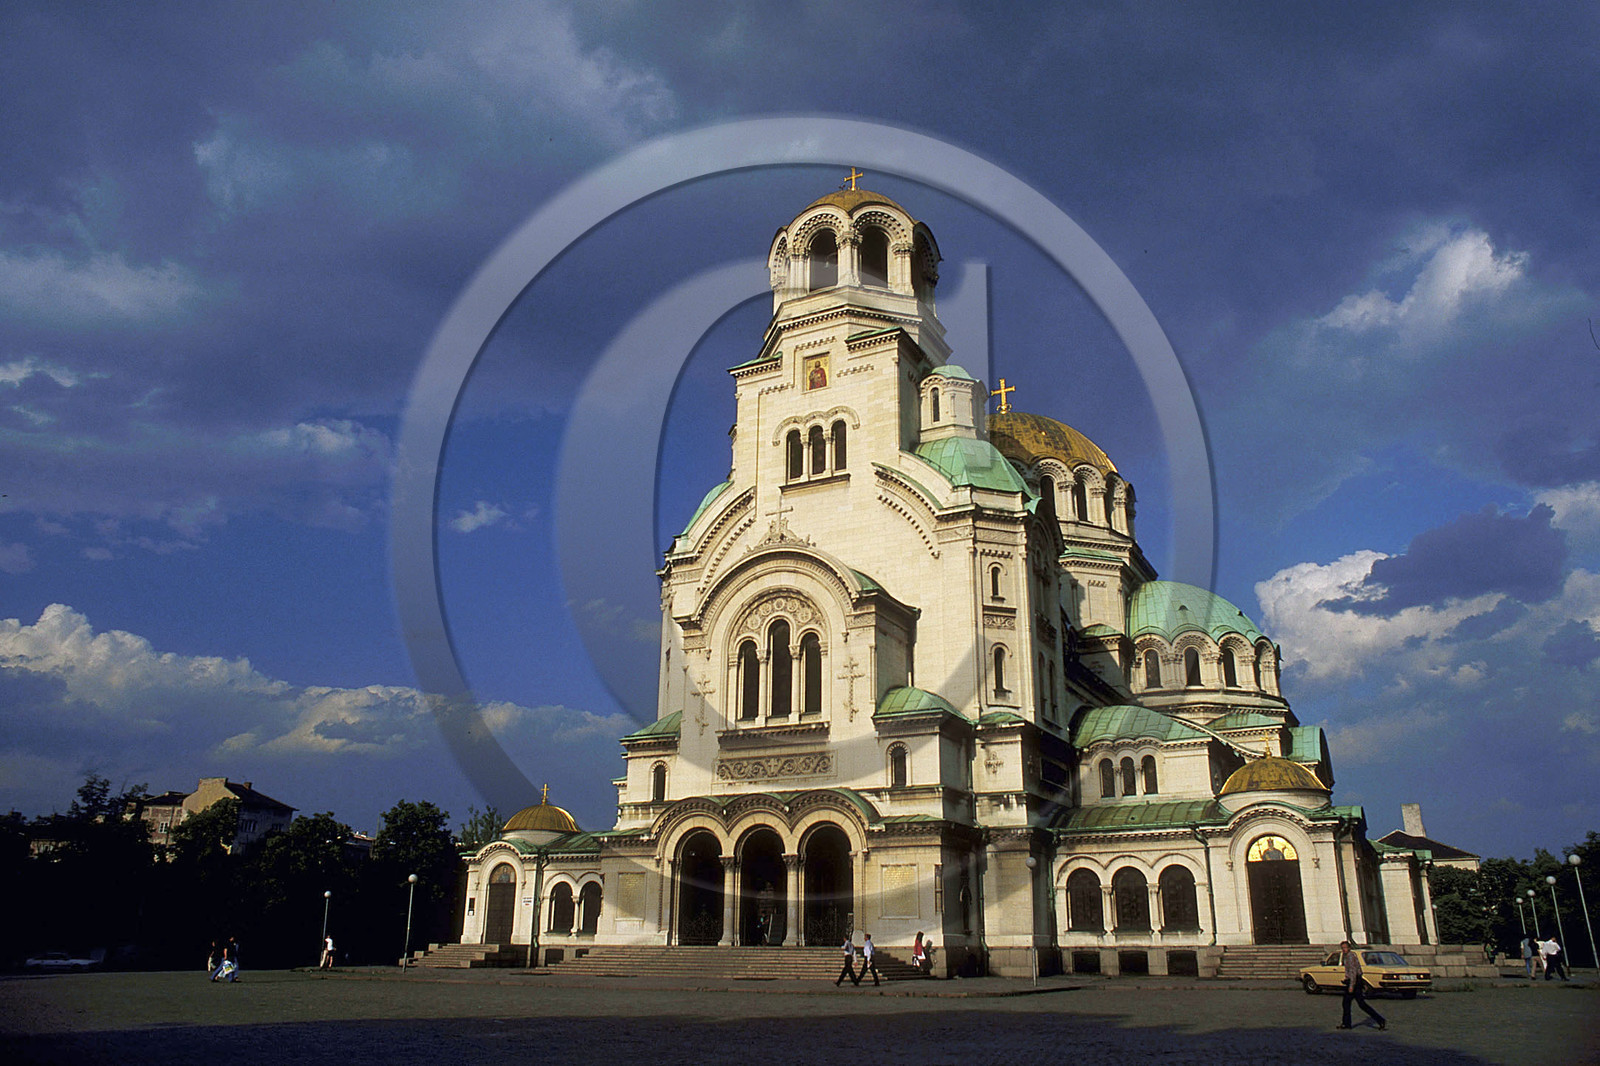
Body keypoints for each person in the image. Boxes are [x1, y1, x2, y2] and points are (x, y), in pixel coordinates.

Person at [1336, 941, 1385, 1031]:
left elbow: (1354, 972)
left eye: (1345, 947)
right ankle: (1346, 1023)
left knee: (1355, 1004)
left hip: (1354, 982)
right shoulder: (1348, 956)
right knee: (1352, 1003)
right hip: (1354, 981)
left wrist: (1351, 985)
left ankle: (1380, 1020)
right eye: (1342, 948)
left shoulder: (1350, 956)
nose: (1343, 949)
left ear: (1349, 947)